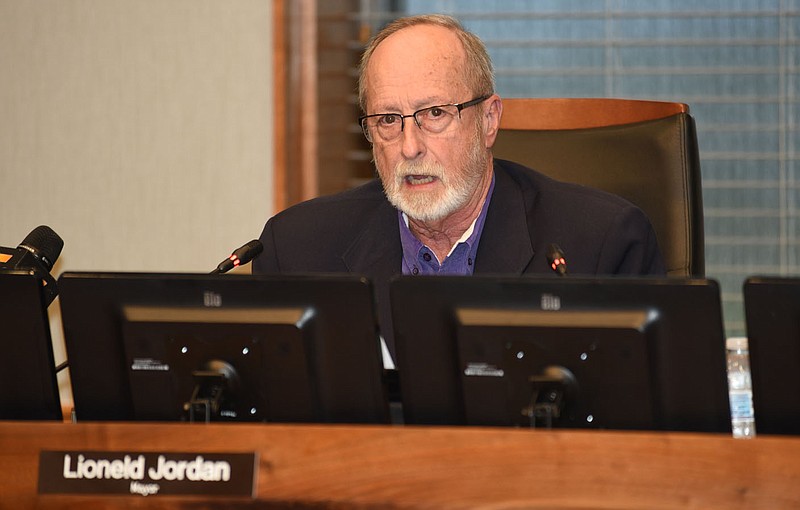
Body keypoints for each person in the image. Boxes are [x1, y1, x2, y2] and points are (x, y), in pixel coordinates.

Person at [253, 14, 665, 360]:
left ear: (488, 121)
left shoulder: (599, 246)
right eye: (388, 120)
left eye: (434, 113)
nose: (410, 147)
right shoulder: (295, 251)